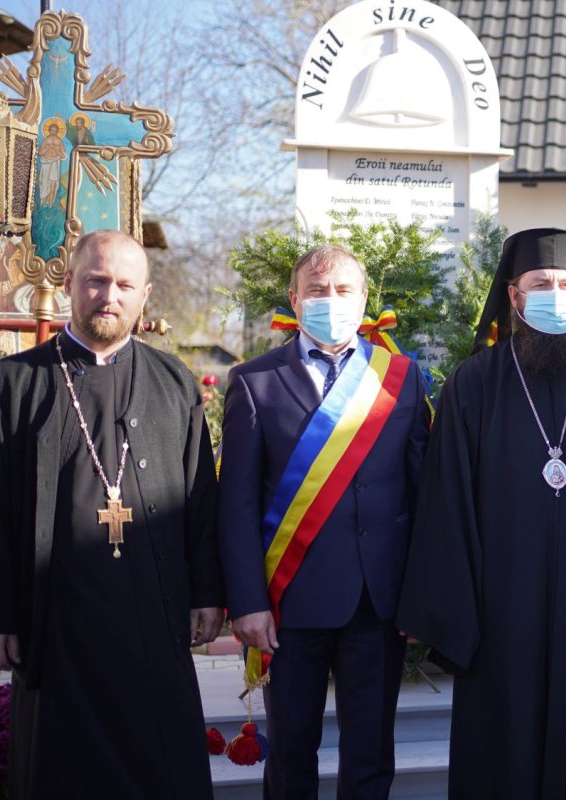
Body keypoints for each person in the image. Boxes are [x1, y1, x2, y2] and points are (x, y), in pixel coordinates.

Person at [0, 230, 222, 799]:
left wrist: (207, 592)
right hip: (56, 626)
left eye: (125, 284)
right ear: (69, 284)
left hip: (153, 618)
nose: (110, 295)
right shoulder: (13, 384)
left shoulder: (173, 381)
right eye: (97, 280)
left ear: (145, 295)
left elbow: (200, 498)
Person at [397, 229, 566, 799]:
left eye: (564, 284)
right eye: (540, 284)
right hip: (501, 605)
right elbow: (445, 496)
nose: (553, 294)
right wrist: (451, 601)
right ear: (514, 296)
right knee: (503, 744)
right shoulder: (473, 383)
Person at [218, 244, 432, 798]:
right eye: (316, 290)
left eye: (342, 290)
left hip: (378, 601)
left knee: (371, 756)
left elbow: (422, 496)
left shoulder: (402, 378)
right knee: (291, 755)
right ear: (294, 299)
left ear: (364, 300)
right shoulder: (254, 381)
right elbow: (237, 504)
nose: (330, 300)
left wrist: (420, 597)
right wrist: (247, 602)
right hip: (290, 604)